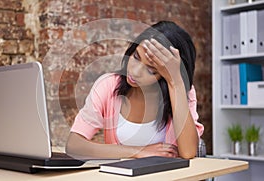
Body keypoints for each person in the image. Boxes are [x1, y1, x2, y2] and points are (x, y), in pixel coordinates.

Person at [65, 20, 204, 159]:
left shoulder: (182, 91)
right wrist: (139, 152)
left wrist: (175, 82)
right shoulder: (108, 85)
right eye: (136, 57)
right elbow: (74, 146)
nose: (135, 71)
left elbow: (188, 152)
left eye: (151, 70)